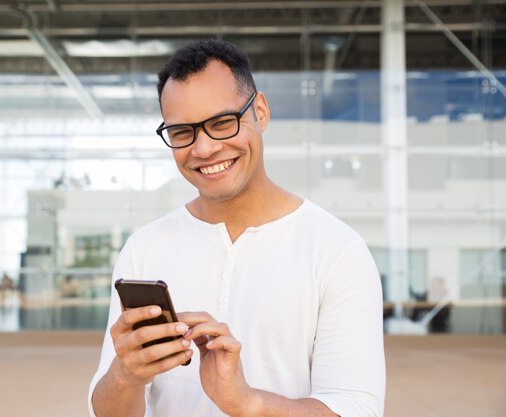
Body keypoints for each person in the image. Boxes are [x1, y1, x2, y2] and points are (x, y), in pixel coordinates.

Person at [89, 40, 385, 417]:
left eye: (222, 123)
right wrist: (124, 377)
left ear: (259, 111)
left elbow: (358, 409)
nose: (204, 148)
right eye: (182, 132)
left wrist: (248, 403)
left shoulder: (336, 250)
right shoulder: (144, 248)